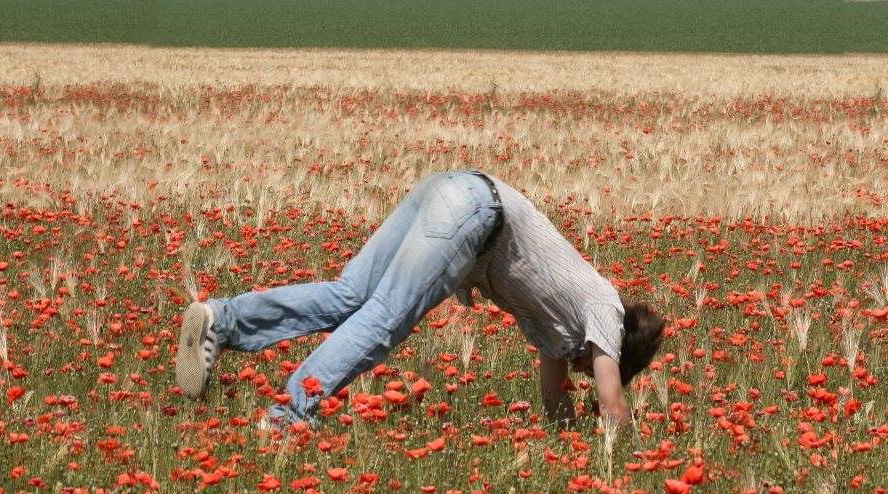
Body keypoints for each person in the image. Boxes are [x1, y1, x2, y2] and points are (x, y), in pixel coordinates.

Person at [174, 170, 664, 430]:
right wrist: (628, 464)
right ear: (620, 350)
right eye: (596, 363)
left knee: (351, 295)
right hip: (475, 214)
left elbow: (555, 399)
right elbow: (611, 403)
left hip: (455, 190)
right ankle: (288, 415)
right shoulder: (604, 310)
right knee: (384, 319)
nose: (584, 368)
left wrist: (566, 448)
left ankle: (224, 319)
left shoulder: (563, 327)